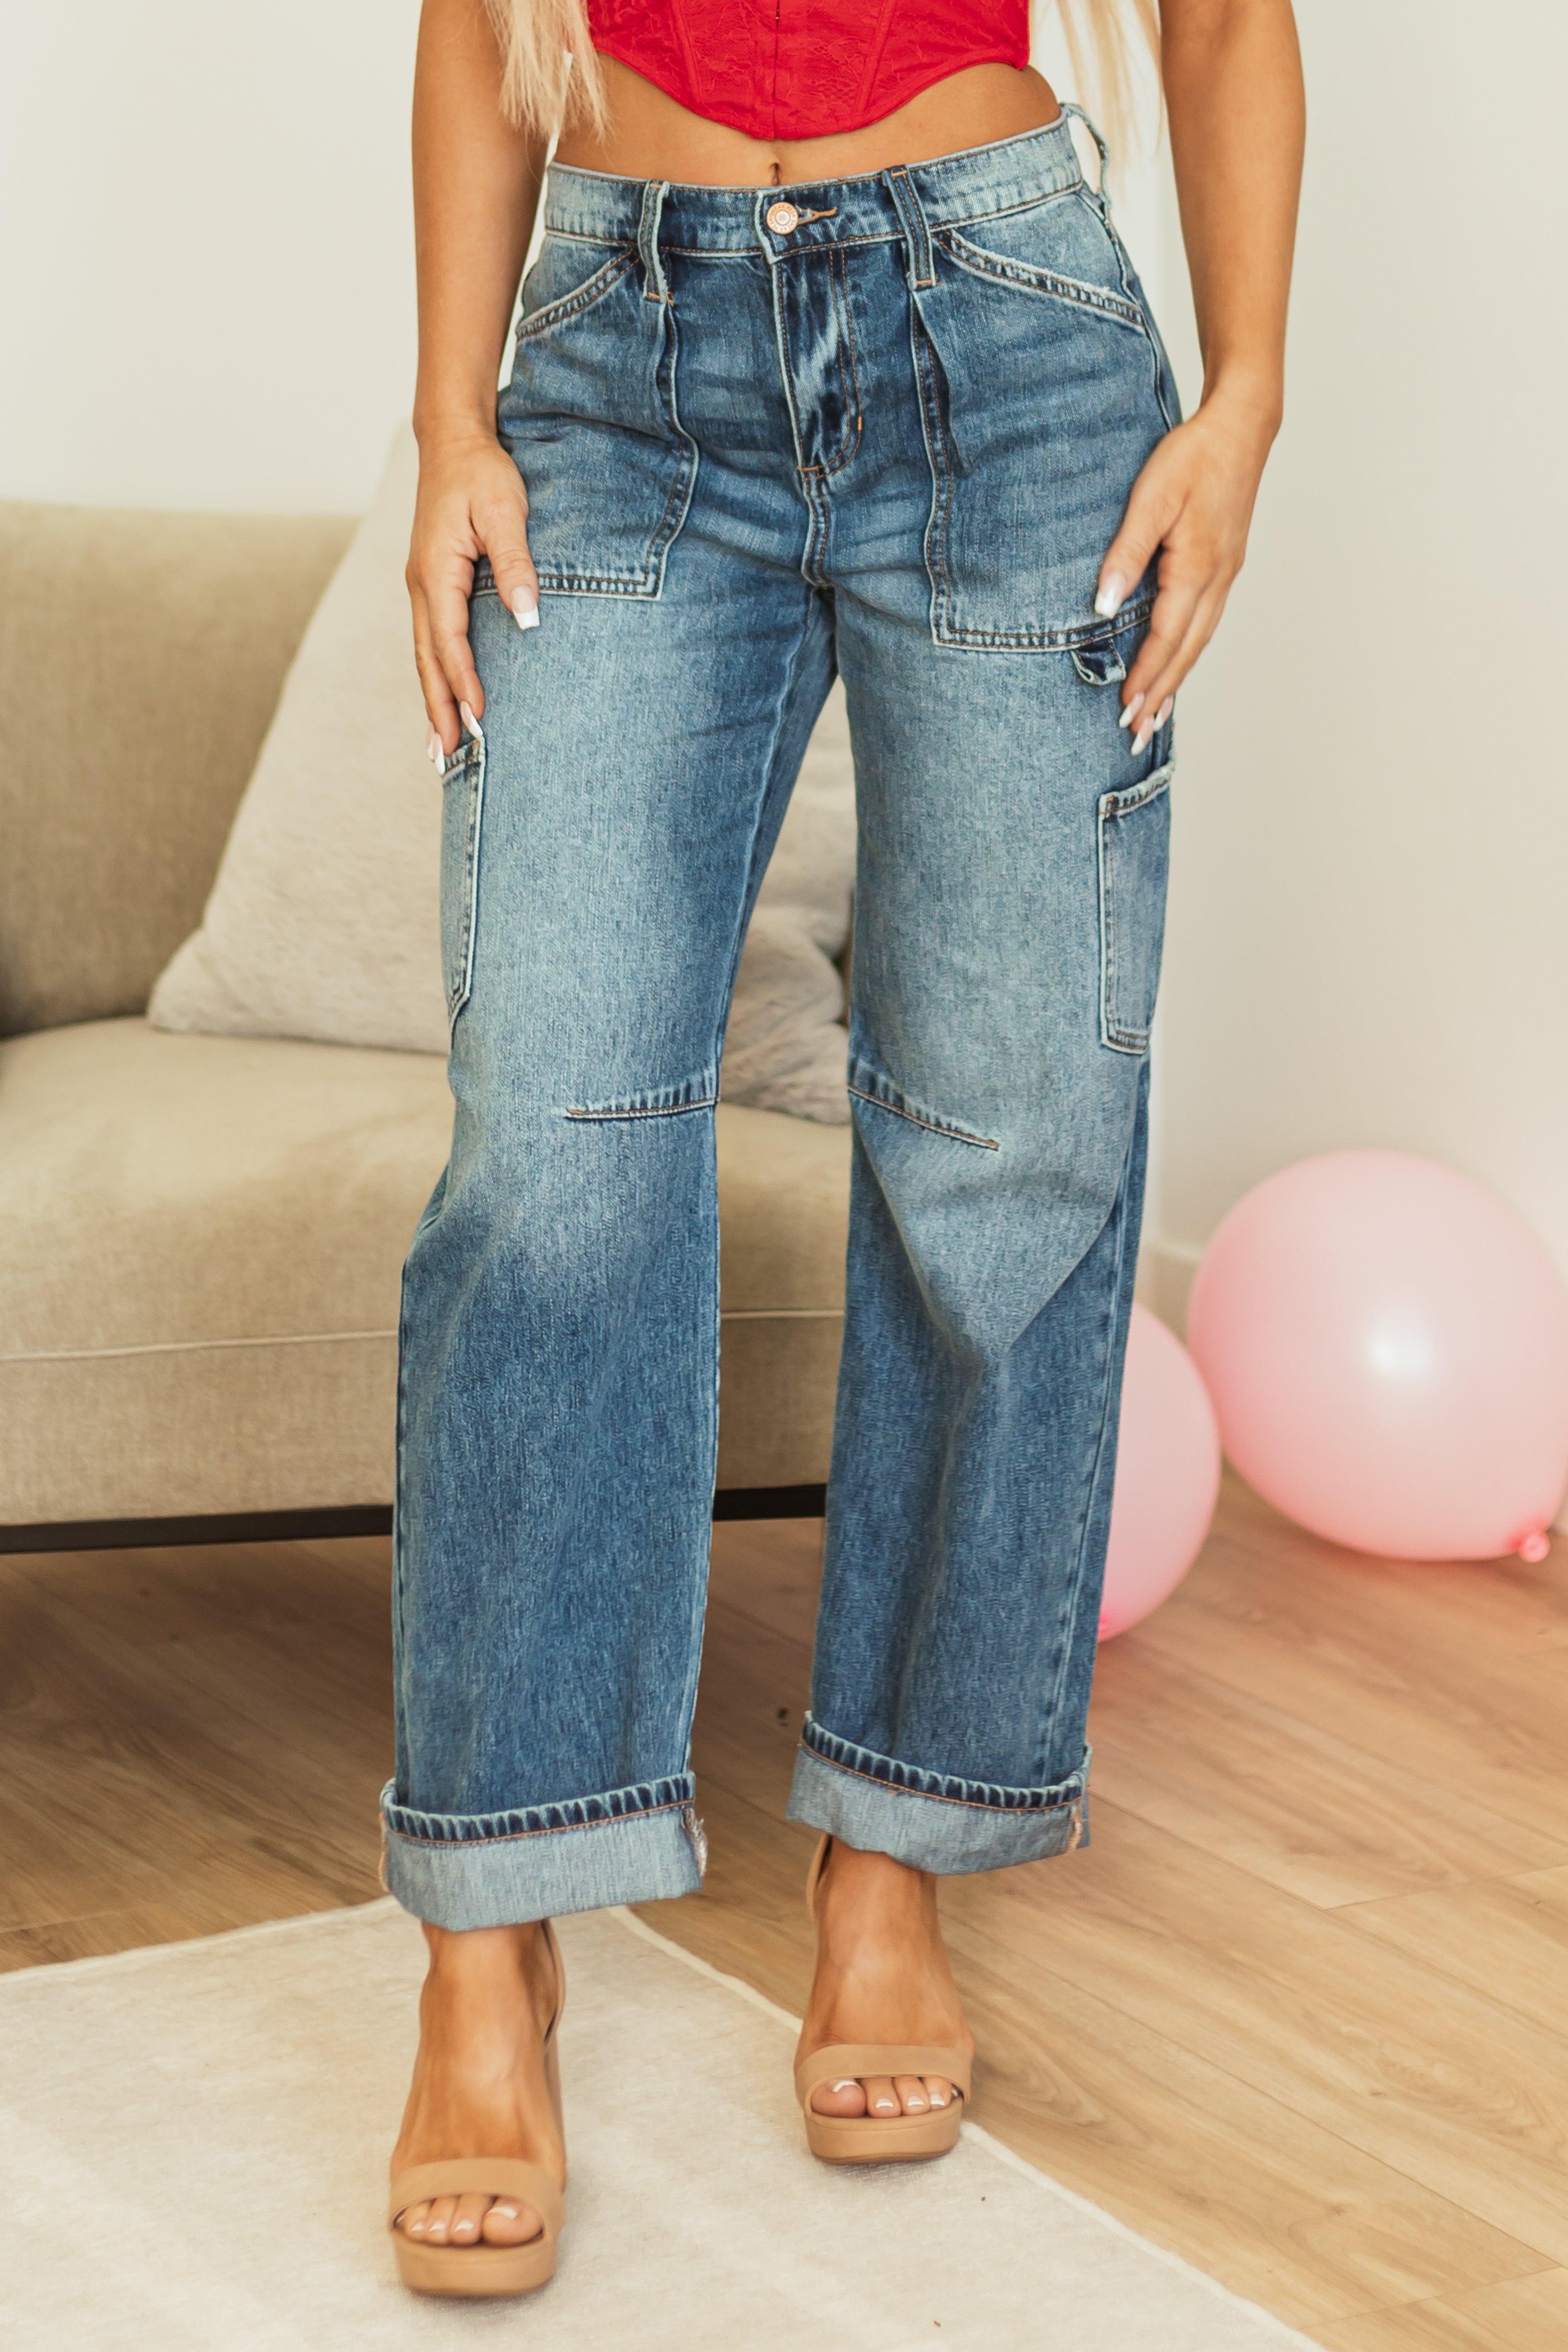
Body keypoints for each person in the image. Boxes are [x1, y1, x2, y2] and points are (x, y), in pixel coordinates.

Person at [386, 0, 1304, 2295]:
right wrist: (448, 414)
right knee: (548, 1160)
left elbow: (1218, 14)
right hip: (615, 358)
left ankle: (890, 1857)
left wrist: (1245, 398)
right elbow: (472, 21)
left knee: (1007, 1145)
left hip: (1007, 340)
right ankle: (491, 1938)